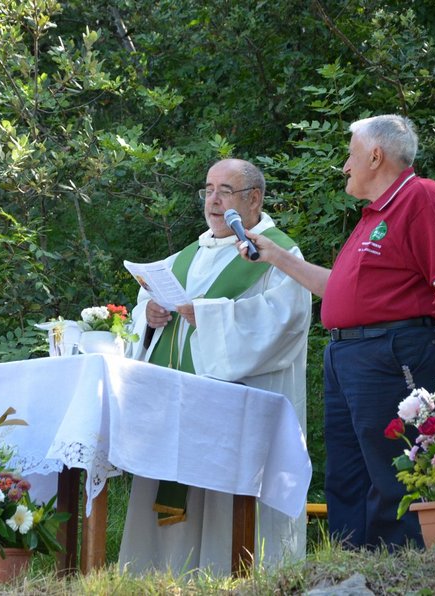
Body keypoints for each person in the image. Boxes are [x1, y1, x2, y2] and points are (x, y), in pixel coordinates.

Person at [239, 115, 435, 550]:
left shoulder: (422, 198)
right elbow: (339, 291)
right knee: (346, 477)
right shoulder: (371, 217)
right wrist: (274, 256)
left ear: (375, 155)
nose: (345, 166)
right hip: (347, 355)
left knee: (396, 472)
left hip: (393, 351)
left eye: (350, 154)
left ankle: (400, 571)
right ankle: (351, 569)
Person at [118, 158, 312, 575]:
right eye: (208, 189)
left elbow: (283, 322)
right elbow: (147, 313)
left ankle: (237, 574)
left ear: (254, 198)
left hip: (239, 410)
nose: (214, 199)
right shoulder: (187, 256)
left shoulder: (277, 252)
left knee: (228, 501)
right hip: (179, 407)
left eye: (226, 190)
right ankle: (162, 574)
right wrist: (149, 315)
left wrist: (205, 316)